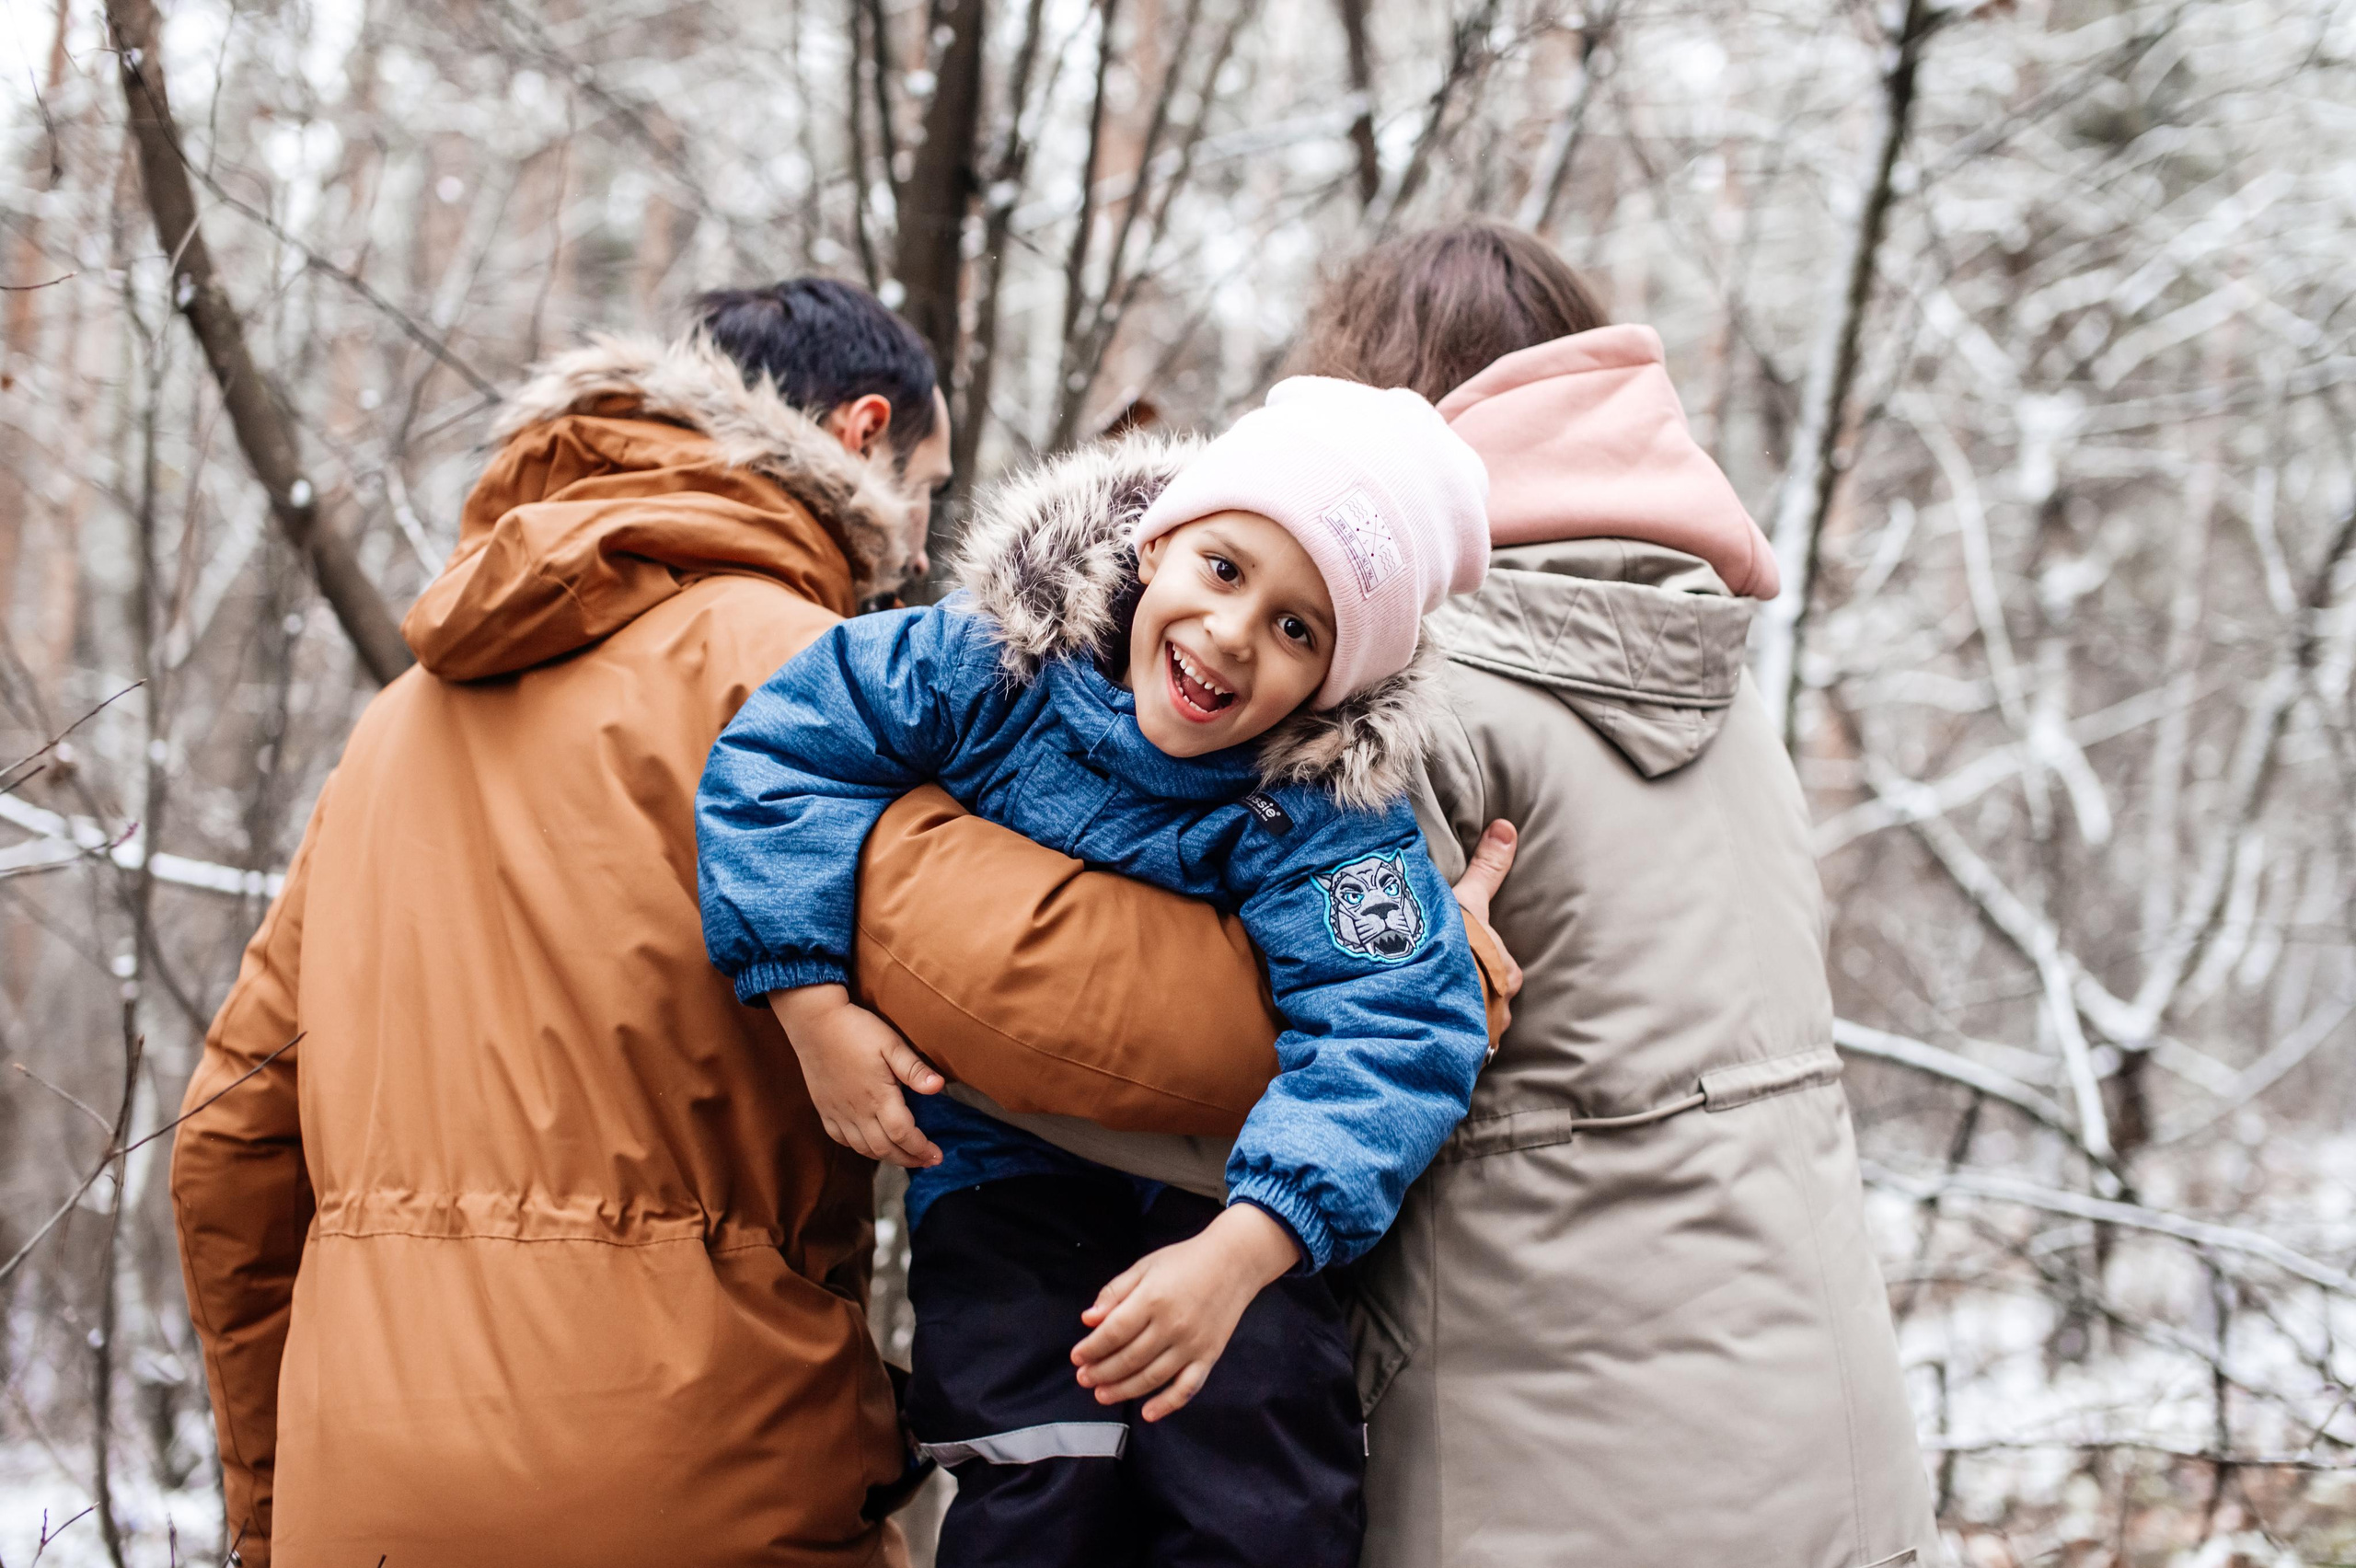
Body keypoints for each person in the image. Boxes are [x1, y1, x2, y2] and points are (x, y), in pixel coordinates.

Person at [846, 223, 1944, 1568]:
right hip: (1826, 1448)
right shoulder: (1720, 680)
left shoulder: (1403, 703)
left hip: (1550, 1474)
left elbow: (1196, 1074)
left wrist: (909, 1027)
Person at [167, 278, 961, 1567]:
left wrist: (273, 1511)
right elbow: (1023, 1000)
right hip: (702, 1479)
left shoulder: (394, 726)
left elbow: (224, 1149)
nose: (918, 550)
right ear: (862, 432)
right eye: (927, 485)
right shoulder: (805, 678)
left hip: (363, 1503)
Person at [697, 378, 1504, 1567]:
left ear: (1335, 684)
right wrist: (809, 1002)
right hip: (997, 1169)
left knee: (1263, 1486)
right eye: (1225, 571)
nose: (1234, 635)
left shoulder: (1318, 812)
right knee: (1033, 1466)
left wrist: (1249, 1247)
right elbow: (783, 752)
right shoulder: (993, 669)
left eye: (1298, 629)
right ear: (1162, 534)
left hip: (1219, 1195)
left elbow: (1399, 1028)